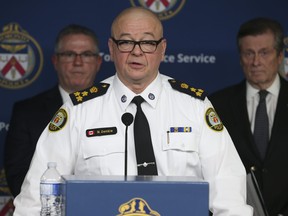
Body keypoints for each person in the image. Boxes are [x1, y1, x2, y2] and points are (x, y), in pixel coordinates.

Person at [13, 7, 253, 216]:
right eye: (126, 42)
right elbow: (36, 199)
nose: (137, 52)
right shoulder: (79, 111)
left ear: (162, 48)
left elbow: (228, 196)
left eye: (148, 42)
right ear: (112, 48)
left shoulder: (195, 107)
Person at [4, 24, 102, 197]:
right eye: (69, 54)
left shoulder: (119, 109)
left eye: (86, 54)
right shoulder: (26, 112)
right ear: (55, 61)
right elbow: (18, 178)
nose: (78, 62)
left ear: (98, 62)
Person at [209, 17, 288, 216]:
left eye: (264, 53)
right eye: (248, 53)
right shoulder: (216, 105)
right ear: (240, 57)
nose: (255, 62)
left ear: (280, 56)